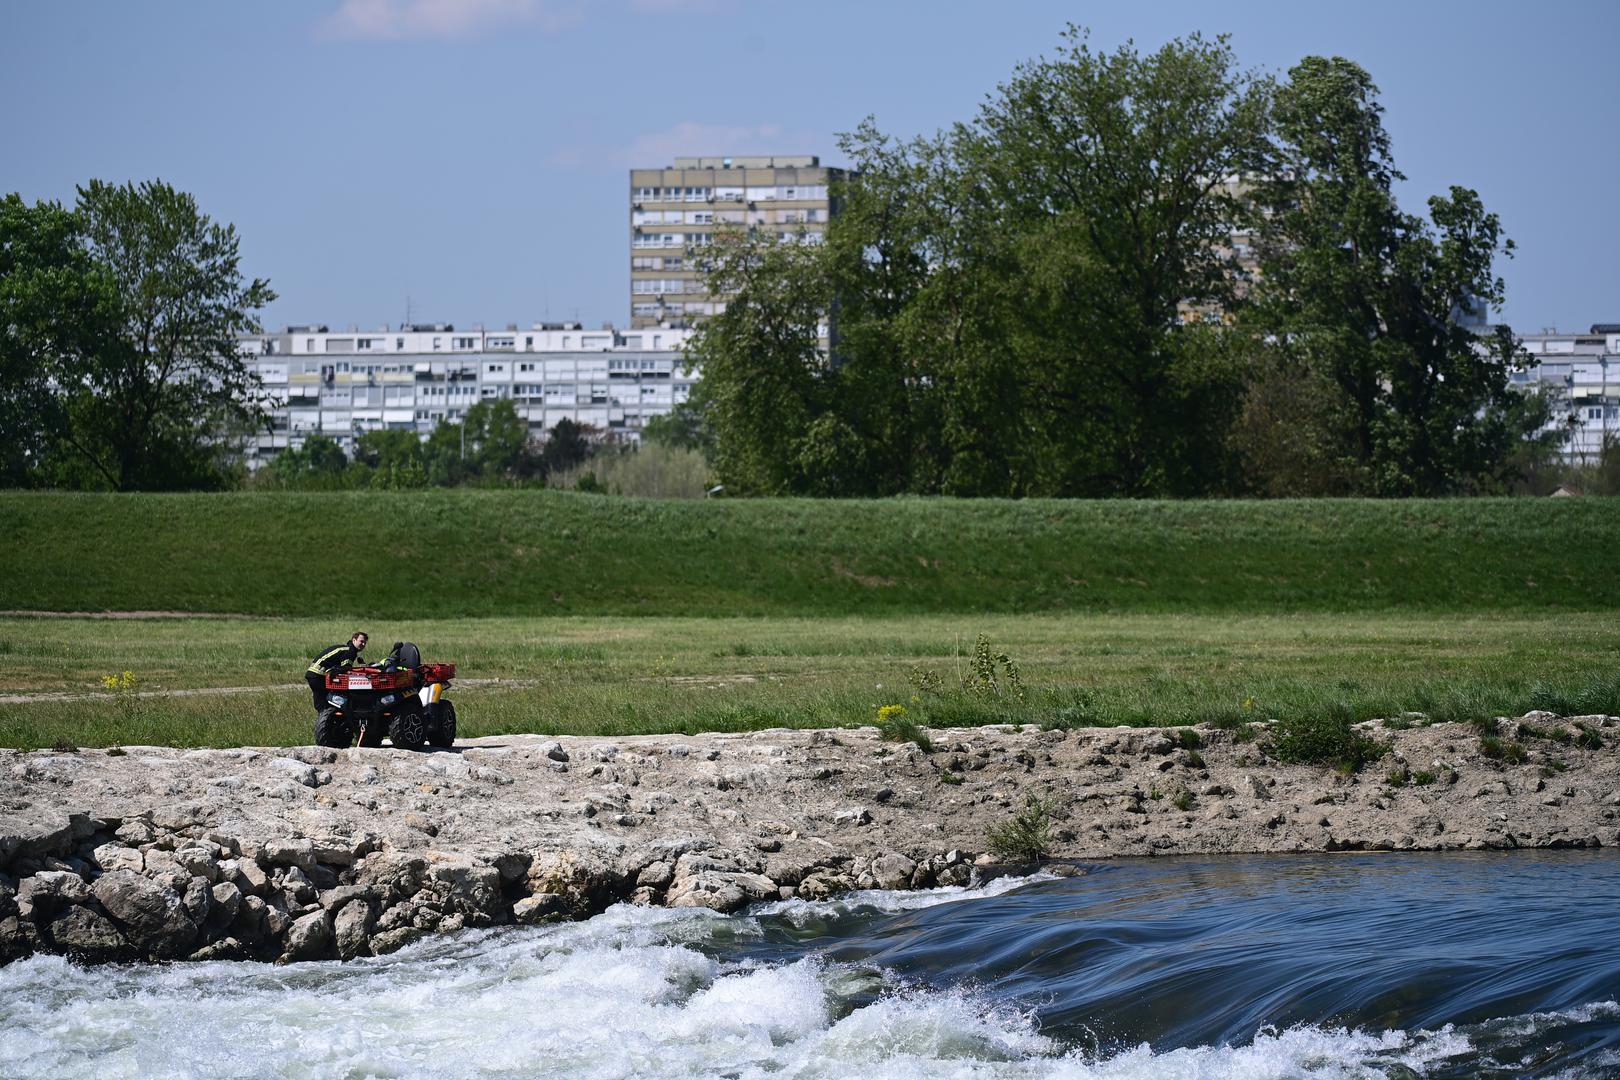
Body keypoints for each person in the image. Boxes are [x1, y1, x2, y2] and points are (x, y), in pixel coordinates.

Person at [306, 632, 368, 714]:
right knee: (330, 703)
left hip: (314, 675)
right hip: (318, 675)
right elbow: (346, 669)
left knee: (324, 703)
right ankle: (326, 723)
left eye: (365, 643)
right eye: (361, 641)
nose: (363, 644)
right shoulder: (350, 651)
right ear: (354, 640)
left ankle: (325, 722)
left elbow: (342, 669)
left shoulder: (346, 649)